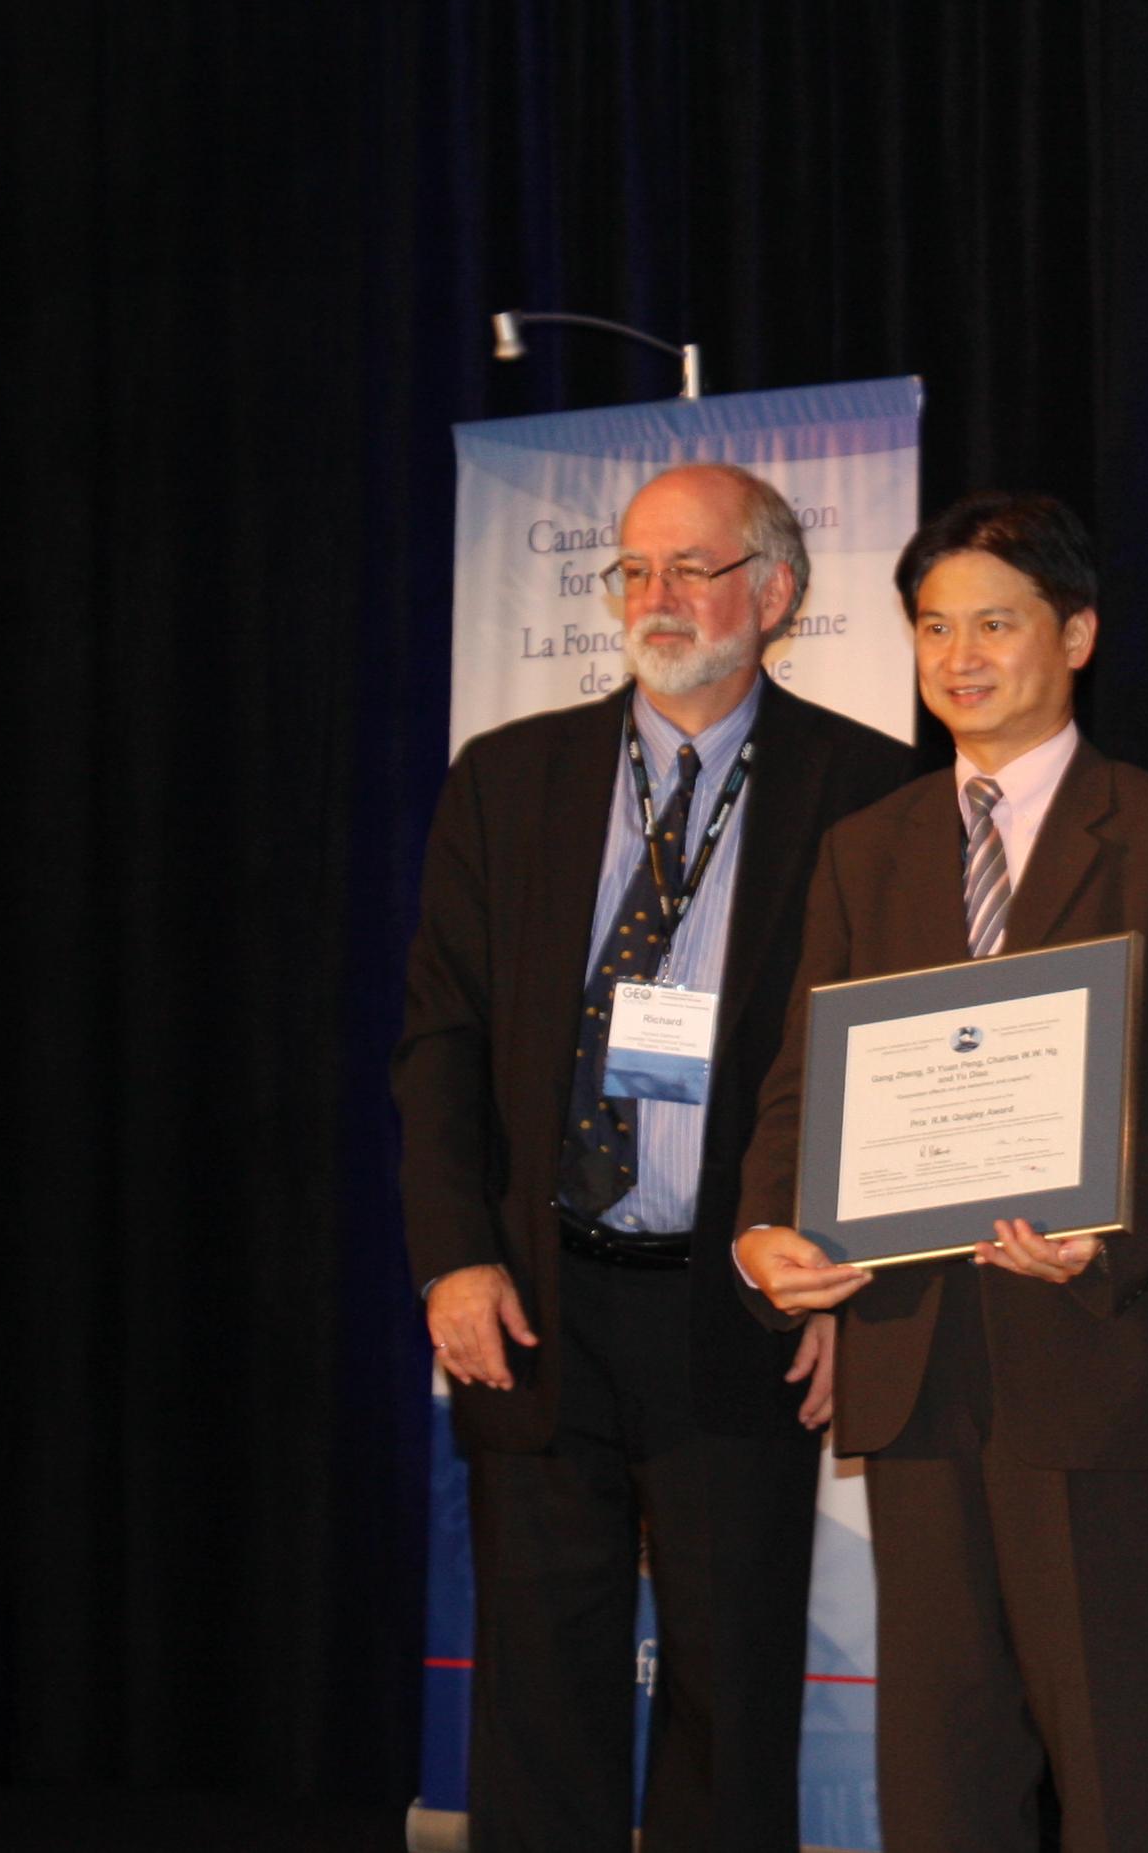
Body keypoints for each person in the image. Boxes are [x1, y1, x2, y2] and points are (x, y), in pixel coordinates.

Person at [732, 493, 1148, 1853]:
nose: (959, 654)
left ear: (1075, 635)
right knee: (943, 1765)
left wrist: (1117, 1238)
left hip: (1101, 1353)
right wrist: (765, 1230)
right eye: (932, 625)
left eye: (996, 622)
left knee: (1118, 1761)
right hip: (916, 1357)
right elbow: (807, 1071)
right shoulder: (872, 845)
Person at [395, 463, 911, 1853]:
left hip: (739, 1305)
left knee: (730, 1700)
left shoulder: (872, 788)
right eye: (634, 571)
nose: (656, 599)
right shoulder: (509, 780)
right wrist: (451, 1252)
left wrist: (857, 1291)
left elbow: (897, 1066)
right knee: (539, 1700)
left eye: (692, 567)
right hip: (540, 1297)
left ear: (777, 591)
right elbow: (439, 1037)